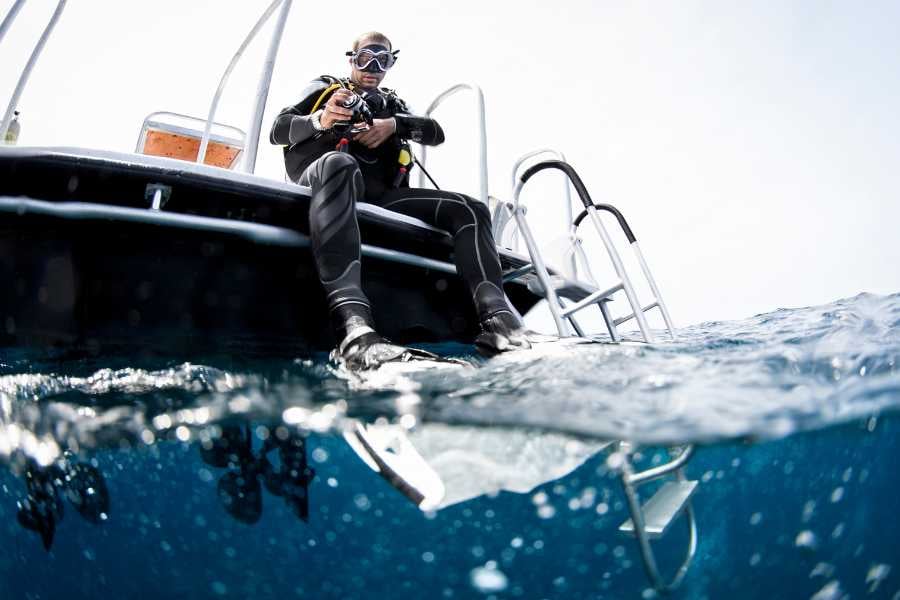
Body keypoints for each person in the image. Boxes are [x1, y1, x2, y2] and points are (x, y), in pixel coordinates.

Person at [270, 32, 539, 368]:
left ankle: (501, 325)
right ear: (351, 59)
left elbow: (435, 133)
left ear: (391, 63)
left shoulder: (393, 105)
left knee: (472, 209)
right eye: (365, 57)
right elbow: (277, 130)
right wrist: (322, 119)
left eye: (383, 60)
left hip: (381, 198)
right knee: (340, 162)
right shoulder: (323, 87)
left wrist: (392, 125)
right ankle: (354, 329)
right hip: (328, 181)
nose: (373, 67)